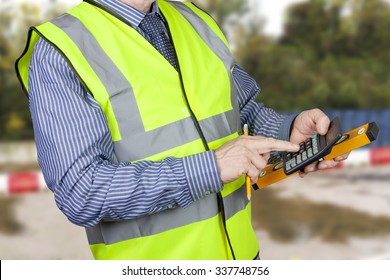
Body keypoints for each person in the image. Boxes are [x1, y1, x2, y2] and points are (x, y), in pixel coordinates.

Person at [15, 0, 348, 260]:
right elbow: (82, 192)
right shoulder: (61, 51)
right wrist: (210, 168)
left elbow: (243, 113)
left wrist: (288, 132)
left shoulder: (195, 20)